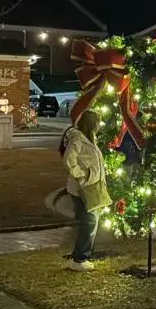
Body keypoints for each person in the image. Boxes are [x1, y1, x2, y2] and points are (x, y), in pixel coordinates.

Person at [62, 110, 107, 272]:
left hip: (91, 186)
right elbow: (69, 160)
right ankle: (79, 258)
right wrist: (82, 175)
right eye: (97, 122)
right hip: (82, 188)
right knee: (90, 221)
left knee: (91, 220)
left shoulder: (89, 139)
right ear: (91, 123)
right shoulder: (78, 139)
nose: (99, 126)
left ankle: (81, 255)